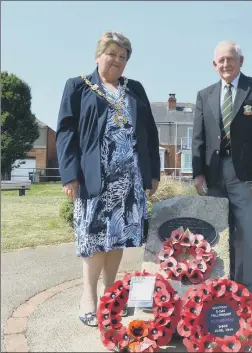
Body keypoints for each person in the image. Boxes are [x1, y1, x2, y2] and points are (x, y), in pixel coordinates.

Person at [56, 31, 160, 326]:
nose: (117, 60)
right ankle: (88, 296)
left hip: (129, 179)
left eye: (123, 56)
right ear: (98, 55)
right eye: (112, 53)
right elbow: (65, 132)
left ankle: (109, 292)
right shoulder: (78, 87)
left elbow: (150, 133)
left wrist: (152, 174)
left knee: (117, 237)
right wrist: (69, 174)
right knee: (93, 239)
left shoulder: (135, 88)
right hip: (92, 179)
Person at [192, 41, 252, 295]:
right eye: (221, 60)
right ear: (214, 64)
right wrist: (197, 172)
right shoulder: (204, 95)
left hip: (246, 175)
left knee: (247, 236)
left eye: (231, 59)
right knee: (217, 234)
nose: (226, 64)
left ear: (241, 61)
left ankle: (246, 293)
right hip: (214, 175)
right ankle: (218, 289)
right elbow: (198, 137)